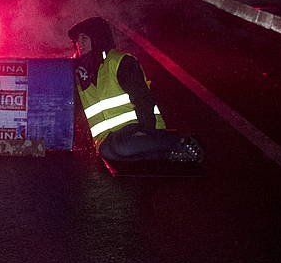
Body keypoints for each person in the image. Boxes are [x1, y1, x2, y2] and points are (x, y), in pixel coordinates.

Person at [68, 16, 203, 164]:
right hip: (108, 139)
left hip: (137, 127)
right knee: (109, 151)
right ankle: (165, 154)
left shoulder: (119, 62)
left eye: (84, 38)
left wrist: (146, 130)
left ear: (97, 38)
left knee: (123, 148)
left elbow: (143, 98)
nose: (79, 43)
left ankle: (180, 141)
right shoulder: (82, 73)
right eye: (77, 40)